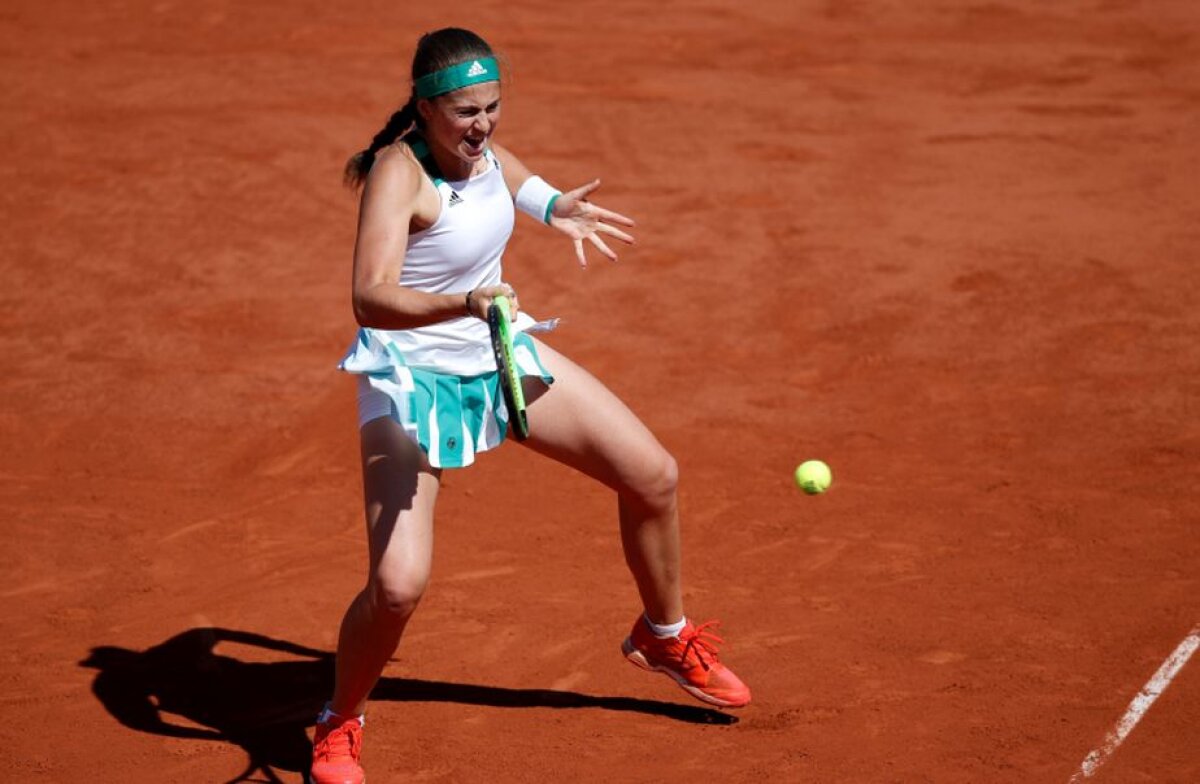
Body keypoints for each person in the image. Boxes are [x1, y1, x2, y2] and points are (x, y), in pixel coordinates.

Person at [311, 27, 751, 784]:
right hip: (410, 383)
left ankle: (663, 635)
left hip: (496, 351)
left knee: (653, 476)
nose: (481, 126)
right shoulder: (398, 173)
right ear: (422, 109)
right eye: (463, 113)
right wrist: (465, 301)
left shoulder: (478, 150)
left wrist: (550, 206)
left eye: (492, 108)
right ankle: (338, 722)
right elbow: (369, 296)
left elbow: (500, 171)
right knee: (397, 588)